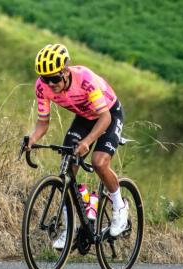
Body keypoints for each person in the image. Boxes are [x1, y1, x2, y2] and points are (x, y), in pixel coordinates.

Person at [26, 43, 128, 248]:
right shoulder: (41, 86)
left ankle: (120, 206)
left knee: (99, 162)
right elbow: (43, 122)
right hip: (84, 117)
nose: (50, 84)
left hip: (108, 114)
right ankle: (69, 228)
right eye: (46, 79)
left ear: (65, 71)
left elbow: (105, 117)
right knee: (67, 168)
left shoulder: (85, 79)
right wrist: (32, 138)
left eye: (54, 78)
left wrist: (88, 142)